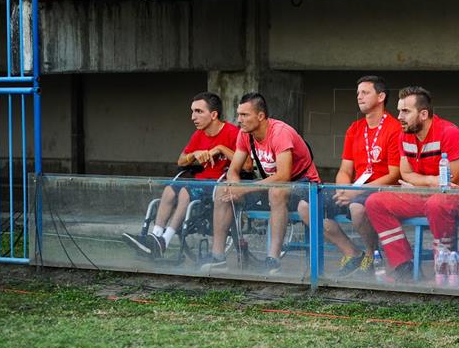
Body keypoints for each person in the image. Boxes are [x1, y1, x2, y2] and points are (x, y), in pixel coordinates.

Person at [365, 86, 459, 282]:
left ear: (424, 114)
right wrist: (430, 183)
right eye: (399, 110)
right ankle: (403, 266)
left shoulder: (449, 132)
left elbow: (456, 181)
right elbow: (406, 173)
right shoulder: (404, 135)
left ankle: (444, 266)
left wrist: (423, 184)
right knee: (374, 201)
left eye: (406, 111)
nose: (399, 116)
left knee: (437, 203)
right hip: (427, 194)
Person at [202, 92, 321, 274]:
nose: (239, 120)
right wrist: (234, 189)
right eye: (238, 114)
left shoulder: (280, 133)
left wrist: (245, 190)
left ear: (260, 116)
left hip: (303, 184)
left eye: (244, 115)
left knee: (276, 191)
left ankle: (272, 261)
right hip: (271, 182)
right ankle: (218, 258)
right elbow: (234, 171)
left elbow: (283, 176)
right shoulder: (245, 134)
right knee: (222, 191)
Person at [297, 76, 402, 277]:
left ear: (381, 97)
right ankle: (352, 252)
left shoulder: (394, 128)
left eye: (365, 92)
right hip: (355, 189)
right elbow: (345, 169)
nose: (359, 97)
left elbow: (394, 174)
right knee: (306, 206)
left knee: (357, 208)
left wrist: (354, 192)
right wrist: (342, 189)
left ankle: (372, 255)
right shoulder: (354, 129)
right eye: (357, 93)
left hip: (379, 190)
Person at [122, 92, 238, 258]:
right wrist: (195, 154)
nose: (193, 117)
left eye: (198, 111)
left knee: (184, 192)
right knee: (170, 189)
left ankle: (164, 242)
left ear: (213, 114)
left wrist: (220, 149)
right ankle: (154, 236)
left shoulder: (232, 132)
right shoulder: (199, 134)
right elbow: (181, 161)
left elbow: (248, 164)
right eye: (192, 111)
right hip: (200, 181)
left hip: (219, 184)